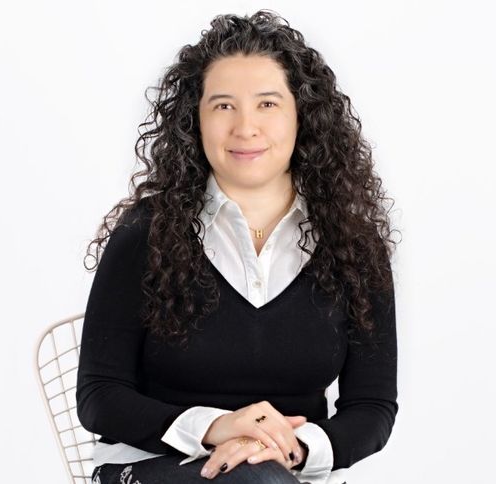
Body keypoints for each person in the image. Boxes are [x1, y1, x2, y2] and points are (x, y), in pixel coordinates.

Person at [76, 9, 400, 484]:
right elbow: (100, 396)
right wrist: (216, 428)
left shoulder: (353, 245)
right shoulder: (146, 233)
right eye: (223, 106)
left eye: (267, 104)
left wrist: (287, 450)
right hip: (152, 465)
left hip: (290, 473)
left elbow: (372, 406)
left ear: (302, 115)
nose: (246, 127)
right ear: (195, 121)